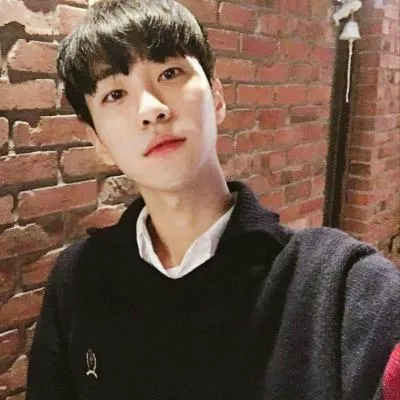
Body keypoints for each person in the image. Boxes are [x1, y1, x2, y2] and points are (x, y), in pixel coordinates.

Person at [26, 0, 400, 399]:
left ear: (217, 98)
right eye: (115, 94)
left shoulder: (338, 284)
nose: (151, 109)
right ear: (98, 141)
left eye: (169, 73)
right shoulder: (80, 281)